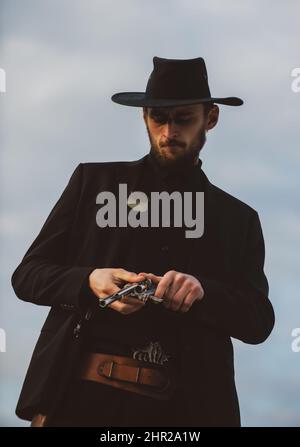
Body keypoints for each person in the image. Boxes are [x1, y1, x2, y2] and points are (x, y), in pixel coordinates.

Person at [11, 56, 275, 427]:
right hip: (78, 401)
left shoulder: (239, 219)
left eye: (183, 119)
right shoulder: (92, 183)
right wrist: (90, 280)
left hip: (186, 413)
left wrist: (204, 292)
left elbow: (259, 321)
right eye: (158, 119)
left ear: (210, 118)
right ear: (144, 117)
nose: (168, 132)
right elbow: (27, 276)